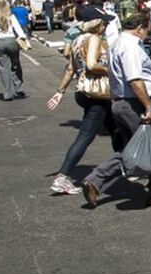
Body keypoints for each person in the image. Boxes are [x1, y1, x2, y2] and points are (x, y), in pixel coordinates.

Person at [81, 13, 151, 208]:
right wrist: (148, 106)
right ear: (140, 28)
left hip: (122, 102)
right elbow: (134, 79)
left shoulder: (117, 43)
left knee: (133, 149)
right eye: (147, 29)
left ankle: (96, 180)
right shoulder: (131, 46)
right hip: (135, 103)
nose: (147, 34)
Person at [46, 11, 122, 195]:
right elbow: (91, 65)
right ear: (97, 24)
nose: (106, 27)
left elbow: (70, 68)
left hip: (86, 92)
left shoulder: (77, 40)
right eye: (104, 23)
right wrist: (113, 70)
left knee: (116, 129)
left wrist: (60, 91)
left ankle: (126, 164)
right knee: (86, 136)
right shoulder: (94, 39)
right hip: (97, 94)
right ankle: (63, 176)